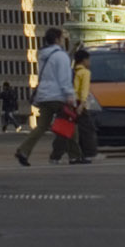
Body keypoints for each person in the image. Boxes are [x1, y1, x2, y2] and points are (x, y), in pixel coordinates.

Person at [15, 27, 75, 167]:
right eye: (61, 38)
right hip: (58, 96)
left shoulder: (42, 55)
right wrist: (70, 95)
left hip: (44, 96)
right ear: (57, 39)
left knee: (41, 127)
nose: (63, 40)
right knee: (69, 125)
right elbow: (64, 78)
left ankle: (24, 150)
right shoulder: (61, 56)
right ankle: (74, 155)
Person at [68, 48, 97, 164]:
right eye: (88, 60)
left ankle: (74, 154)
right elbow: (84, 90)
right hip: (80, 103)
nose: (89, 63)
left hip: (71, 102)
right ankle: (87, 154)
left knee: (75, 130)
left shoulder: (73, 72)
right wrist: (83, 104)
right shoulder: (85, 73)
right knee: (88, 129)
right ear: (84, 60)